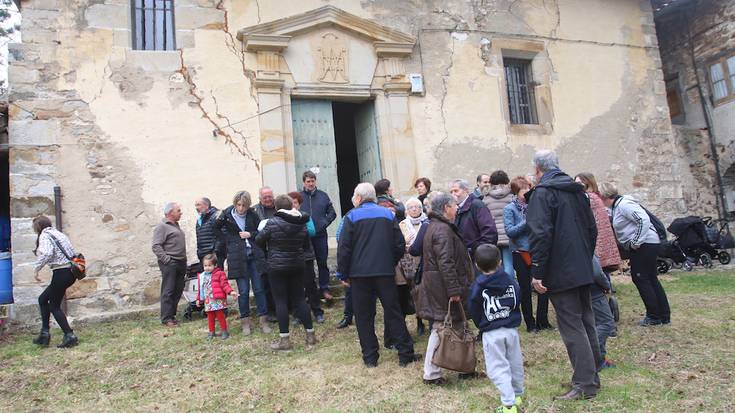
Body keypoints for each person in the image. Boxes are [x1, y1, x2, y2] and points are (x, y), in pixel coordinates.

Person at [526, 150, 601, 400]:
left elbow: (540, 235)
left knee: (573, 326)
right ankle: (590, 375)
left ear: (538, 170)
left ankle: (585, 384)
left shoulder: (543, 193)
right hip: (580, 266)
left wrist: (537, 271)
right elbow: (592, 230)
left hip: (561, 270)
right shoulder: (576, 191)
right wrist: (583, 257)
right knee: (585, 321)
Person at [337, 183, 421, 367]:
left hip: (359, 275)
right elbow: (399, 243)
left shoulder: (351, 216)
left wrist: (343, 273)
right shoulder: (386, 215)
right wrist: (390, 261)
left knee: (364, 316)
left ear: (358, 198)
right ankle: (405, 354)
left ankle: (370, 358)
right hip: (384, 272)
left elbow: (344, 248)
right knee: (393, 312)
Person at [417, 192, 475, 385]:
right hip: (443, 287)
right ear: (446, 208)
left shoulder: (439, 227)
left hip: (441, 285)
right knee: (441, 327)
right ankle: (431, 374)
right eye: (454, 205)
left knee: (456, 324)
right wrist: (454, 289)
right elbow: (446, 262)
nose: (457, 208)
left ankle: (465, 367)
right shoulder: (441, 229)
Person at [600, 182, 670, 326]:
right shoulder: (617, 206)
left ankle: (654, 316)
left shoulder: (624, 205)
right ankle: (663, 315)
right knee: (651, 278)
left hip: (644, 245)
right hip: (647, 244)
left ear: (604, 196)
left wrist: (635, 242)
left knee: (641, 278)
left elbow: (643, 220)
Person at [255, 195, 317, 350]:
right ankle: (311, 336)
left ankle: (285, 340)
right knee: (300, 299)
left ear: (276, 208)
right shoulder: (301, 223)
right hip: (297, 265)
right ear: (291, 207)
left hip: (276, 267)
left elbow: (258, 240)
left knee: (280, 301)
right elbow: (306, 245)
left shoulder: (271, 223)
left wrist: (268, 251)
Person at [469, 244, 525, 413]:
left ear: (477, 265)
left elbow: (474, 308)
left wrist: (481, 324)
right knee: (515, 362)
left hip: (492, 333)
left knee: (497, 368)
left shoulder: (477, 287)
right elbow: (517, 297)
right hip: (511, 330)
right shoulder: (509, 280)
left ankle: (508, 405)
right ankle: (517, 394)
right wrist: (512, 314)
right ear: (500, 262)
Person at [214, 191, 271, 335]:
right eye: (238, 205)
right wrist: (230, 240)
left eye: (244, 206)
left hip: (254, 256)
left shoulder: (252, 214)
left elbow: (262, 231)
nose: (241, 209)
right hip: (238, 258)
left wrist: (250, 234)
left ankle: (263, 320)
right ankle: (245, 321)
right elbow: (215, 229)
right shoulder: (226, 215)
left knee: (259, 289)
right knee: (243, 291)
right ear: (235, 204)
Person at [503, 176, 551, 333]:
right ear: (517, 192)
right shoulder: (509, 209)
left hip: (538, 250)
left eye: (529, 188)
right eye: (524, 189)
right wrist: (527, 221)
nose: (528, 191)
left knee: (543, 286)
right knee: (525, 288)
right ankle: (530, 323)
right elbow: (510, 231)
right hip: (520, 253)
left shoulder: (534, 205)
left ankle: (543, 321)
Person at [31, 215, 79, 348]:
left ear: (38, 227)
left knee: (54, 306)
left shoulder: (45, 235)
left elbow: (46, 253)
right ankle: (44, 334)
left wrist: (36, 269)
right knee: (43, 299)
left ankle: (69, 335)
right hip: (70, 272)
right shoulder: (58, 233)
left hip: (61, 272)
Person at [299, 171, 337, 299]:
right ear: (304, 182)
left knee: (322, 262)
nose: (310, 183)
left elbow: (332, 213)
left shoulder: (323, 196)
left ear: (315, 181)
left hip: (320, 235)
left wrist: (324, 223)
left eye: (312, 181)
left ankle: (325, 289)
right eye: (308, 181)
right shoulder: (298, 197)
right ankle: (308, 290)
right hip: (304, 238)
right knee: (306, 264)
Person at [574, 173, 622, 274]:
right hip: (598, 238)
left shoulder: (589, 198)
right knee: (601, 271)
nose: (577, 186)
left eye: (580, 183)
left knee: (598, 271)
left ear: (588, 183)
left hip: (597, 239)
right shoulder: (594, 196)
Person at [289, 191, 325, 324]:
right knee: (295, 287)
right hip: (291, 257)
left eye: (295, 203)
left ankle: (317, 311)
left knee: (310, 285)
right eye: (291, 203)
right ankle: (299, 314)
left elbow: (311, 231)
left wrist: (296, 228)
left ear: (299, 204)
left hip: (306, 255)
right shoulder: (284, 217)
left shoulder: (305, 216)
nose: (293, 205)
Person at [152, 202, 187, 328]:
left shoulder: (176, 225)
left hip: (180, 262)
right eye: (178, 210)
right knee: (168, 290)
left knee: (178, 289)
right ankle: (166, 318)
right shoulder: (162, 226)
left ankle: (172, 316)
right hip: (170, 263)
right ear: (170, 212)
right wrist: (167, 260)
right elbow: (156, 246)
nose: (181, 212)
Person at [399, 198, 428, 336]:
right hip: (410, 263)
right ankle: (419, 320)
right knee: (415, 293)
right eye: (411, 207)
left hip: (427, 260)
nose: (415, 209)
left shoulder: (427, 222)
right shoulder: (402, 225)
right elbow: (399, 244)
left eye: (417, 207)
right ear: (407, 210)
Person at [449, 179, 498, 254]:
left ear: (466, 190)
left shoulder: (476, 205)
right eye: (451, 192)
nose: (453, 195)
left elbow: (489, 232)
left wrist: (479, 251)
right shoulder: (456, 208)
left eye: (456, 191)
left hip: (476, 257)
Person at [197, 254, 238, 340]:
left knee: (220, 315)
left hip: (218, 299)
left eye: (209, 265)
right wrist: (199, 299)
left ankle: (224, 331)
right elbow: (200, 289)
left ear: (215, 265)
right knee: (210, 316)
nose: (207, 267)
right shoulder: (202, 276)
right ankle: (211, 332)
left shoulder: (220, 274)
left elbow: (225, 285)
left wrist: (231, 292)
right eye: (205, 265)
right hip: (208, 300)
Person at [483, 170, 515, 276]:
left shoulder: (486, 198)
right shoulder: (512, 197)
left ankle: (498, 288)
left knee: (495, 264)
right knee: (509, 264)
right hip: (508, 235)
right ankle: (508, 288)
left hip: (493, 236)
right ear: (506, 181)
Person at [254, 187, 278, 322]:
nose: (268, 199)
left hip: (278, 248)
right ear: (260, 198)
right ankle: (271, 311)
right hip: (262, 250)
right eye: (265, 197)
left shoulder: (278, 207)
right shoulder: (255, 211)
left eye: (270, 196)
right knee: (266, 283)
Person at [590, 256, 616, 369]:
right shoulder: (586, 245)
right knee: (606, 323)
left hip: (578, 291)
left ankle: (598, 357)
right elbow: (597, 273)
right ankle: (596, 358)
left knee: (592, 325)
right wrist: (606, 285)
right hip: (594, 292)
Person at [194, 197, 225, 263]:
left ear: (207, 205)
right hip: (203, 256)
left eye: (198, 205)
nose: (196, 207)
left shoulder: (216, 217)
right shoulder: (199, 220)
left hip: (214, 256)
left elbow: (223, 236)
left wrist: (216, 252)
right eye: (195, 205)